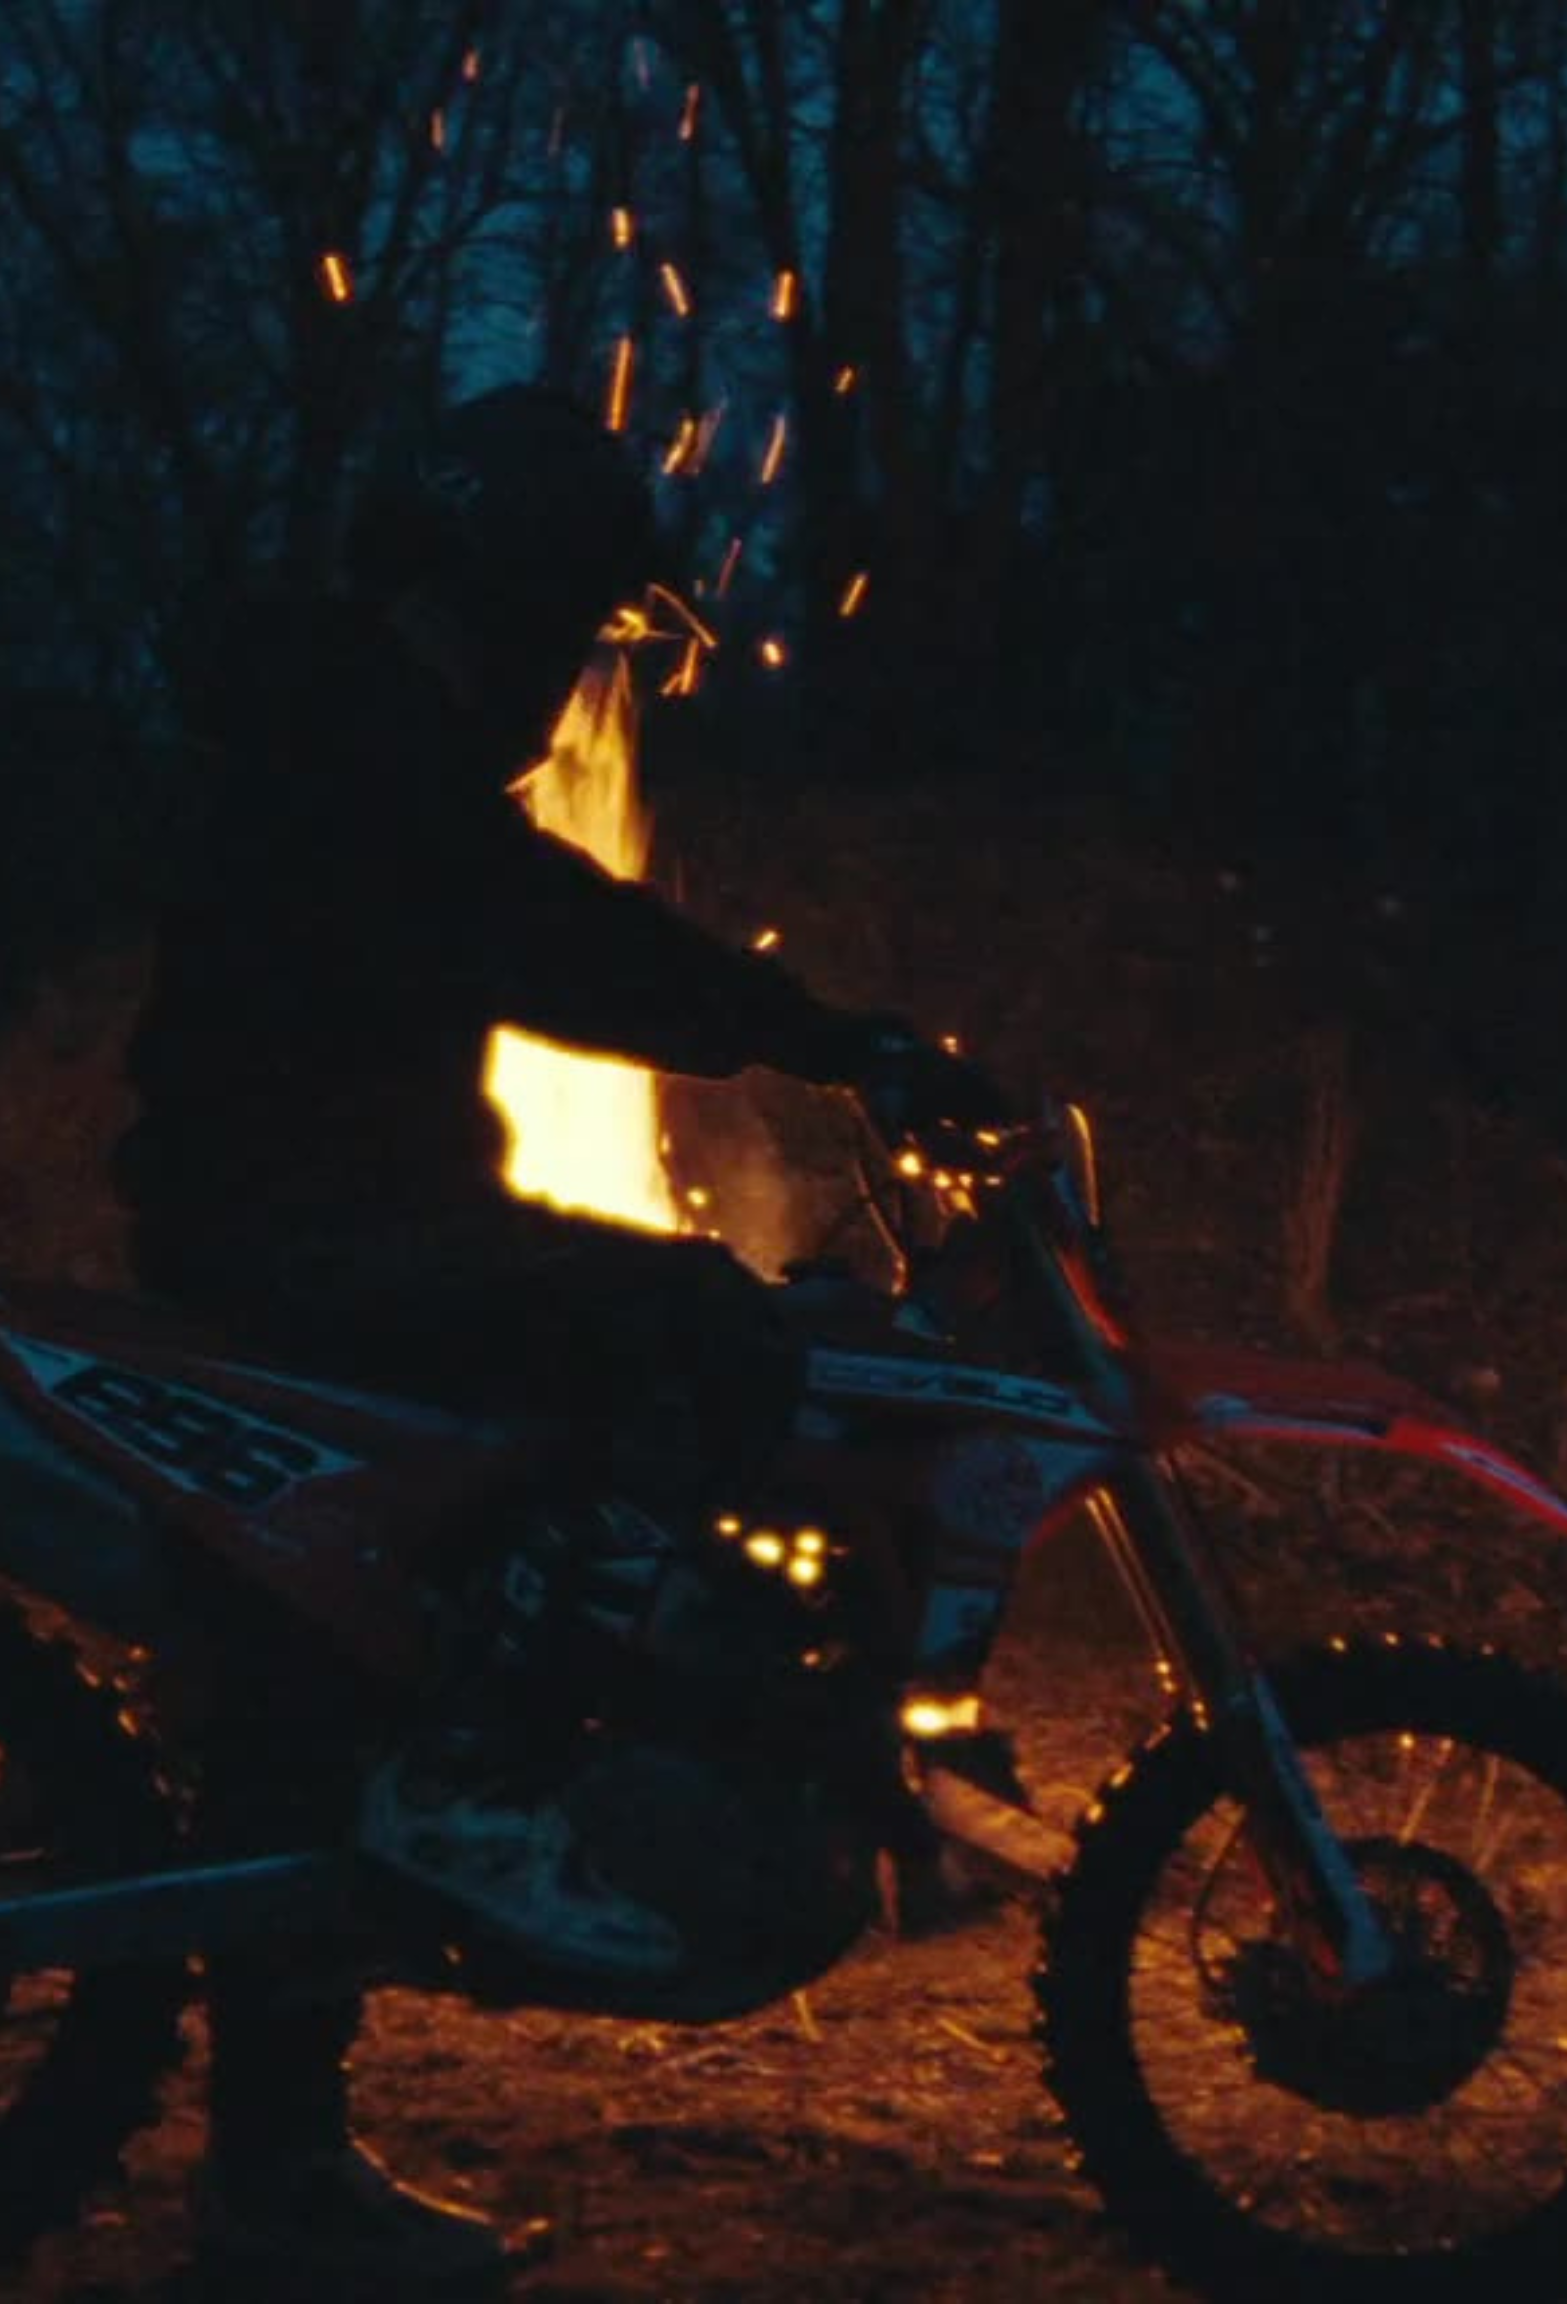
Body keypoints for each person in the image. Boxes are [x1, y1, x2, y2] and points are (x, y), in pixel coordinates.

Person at [113, 383, 997, 2292]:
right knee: (699, 1330)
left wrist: (812, 1035)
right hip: (309, 1227)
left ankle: (275, 2181)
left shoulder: (346, 723)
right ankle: (489, 1782)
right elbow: (548, 936)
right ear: (493, 590)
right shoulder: (363, 751)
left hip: (314, 1207)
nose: (575, 667)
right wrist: (826, 1035)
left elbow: (527, 927)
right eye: (575, 619)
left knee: (311, 1700)